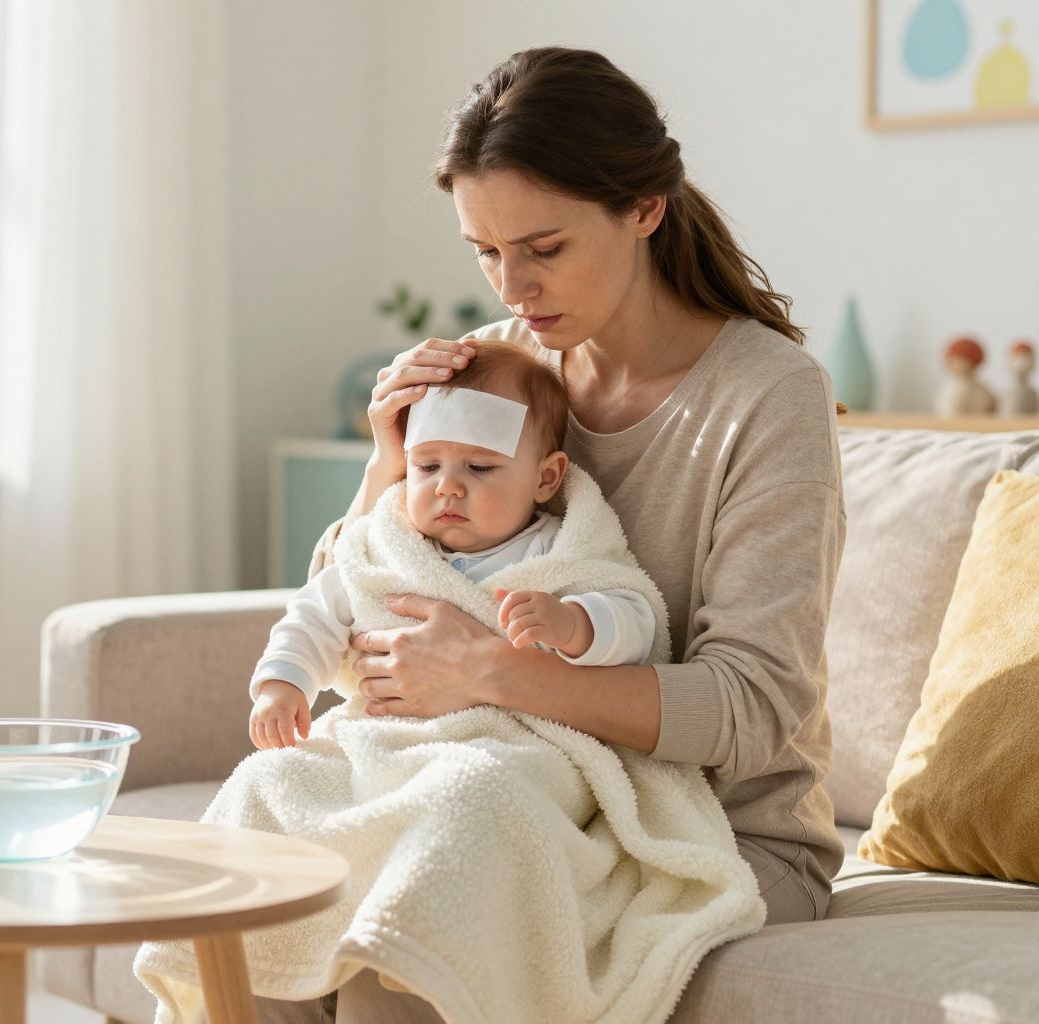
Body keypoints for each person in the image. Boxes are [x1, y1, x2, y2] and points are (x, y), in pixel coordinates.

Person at [262, 46, 846, 1022]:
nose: (512, 288)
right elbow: (362, 600)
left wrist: (494, 672)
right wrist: (385, 466)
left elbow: (750, 709)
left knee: (418, 914)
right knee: (274, 906)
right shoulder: (496, 375)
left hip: (714, 830)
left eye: (543, 247)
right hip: (492, 779)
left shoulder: (766, 397)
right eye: (485, 251)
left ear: (643, 209)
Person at [248, 342, 658, 751]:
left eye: (479, 467)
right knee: (276, 775)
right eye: (427, 466)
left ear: (546, 478)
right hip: (388, 733)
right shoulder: (388, 549)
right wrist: (282, 684)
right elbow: (313, 614)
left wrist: (575, 624)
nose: (447, 486)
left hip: (510, 743)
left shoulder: (557, 550)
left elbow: (637, 623)